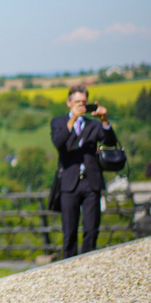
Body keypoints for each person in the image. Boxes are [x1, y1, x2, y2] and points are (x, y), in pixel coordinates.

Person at [50, 85, 116, 257]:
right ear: (69, 102)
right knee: (69, 231)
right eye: (77, 102)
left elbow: (110, 142)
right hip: (69, 183)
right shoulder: (58, 123)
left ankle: (88, 264)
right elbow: (58, 143)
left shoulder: (93, 126)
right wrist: (71, 121)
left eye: (84, 102)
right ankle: (68, 266)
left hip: (91, 182)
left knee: (91, 229)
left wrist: (104, 121)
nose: (81, 105)